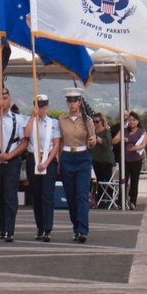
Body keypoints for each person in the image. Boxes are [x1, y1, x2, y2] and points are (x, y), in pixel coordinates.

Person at [0, 88, 28, 242]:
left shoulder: (18, 119)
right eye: (1, 98)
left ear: (10, 100)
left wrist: (11, 155)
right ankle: (2, 226)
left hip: (12, 160)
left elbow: (23, 143)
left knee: (10, 194)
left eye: (6, 98)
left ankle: (10, 229)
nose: (3, 100)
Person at [58, 88, 96, 243]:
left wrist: (92, 142)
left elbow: (91, 141)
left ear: (80, 102)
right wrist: (59, 161)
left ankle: (82, 230)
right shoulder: (61, 119)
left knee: (82, 195)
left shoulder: (87, 120)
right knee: (71, 196)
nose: (72, 104)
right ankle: (76, 226)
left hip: (82, 157)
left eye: (75, 101)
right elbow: (60, 141)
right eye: (69, 101)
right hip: (67, 156)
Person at [24, 93, 61, 242]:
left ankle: (47, 228)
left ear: (46, 106)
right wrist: (32, 117)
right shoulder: (30, 120)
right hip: (33, 158)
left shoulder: (54, 123)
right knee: (36, 195)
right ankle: (39, 227)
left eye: (42, 106)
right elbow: (26, 135)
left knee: (47, 195)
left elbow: (56, 144)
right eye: (37, 105)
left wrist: (46, 162)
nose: (39, 108)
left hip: (48, 160)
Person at [113, 110, 147, 210]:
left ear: (137, 121)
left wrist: (134, 148)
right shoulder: (123, 130)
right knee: (123, 180)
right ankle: (121, 201)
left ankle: (133, 201)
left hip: (136, 159)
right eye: (130, 120)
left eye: (134, 120)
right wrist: (121, 139)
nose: (132, 122)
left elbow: (143, 144)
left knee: (134, 181)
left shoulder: (142, 131)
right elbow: (114, 141)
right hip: (125, 159)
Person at [90, 112, 115, 200]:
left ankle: (109, 198)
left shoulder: (106, 131)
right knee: (99, 180)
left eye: (97, 121)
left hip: (106, 160)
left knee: (107, 180)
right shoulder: (92, 132)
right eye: (94, 122)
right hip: (96, 159)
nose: (95, 123)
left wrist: (96, 138)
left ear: (102, 121)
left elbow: (107, 144)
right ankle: (100, 199)